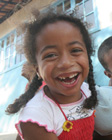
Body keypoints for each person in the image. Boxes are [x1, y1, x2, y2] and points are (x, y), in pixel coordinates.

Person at [6, 11, 98, 140]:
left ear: (88, 56)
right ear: (37, 70)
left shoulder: (87, 91)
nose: (66, 63)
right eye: (50, 55)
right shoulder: (36, 116)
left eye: (75, 50)